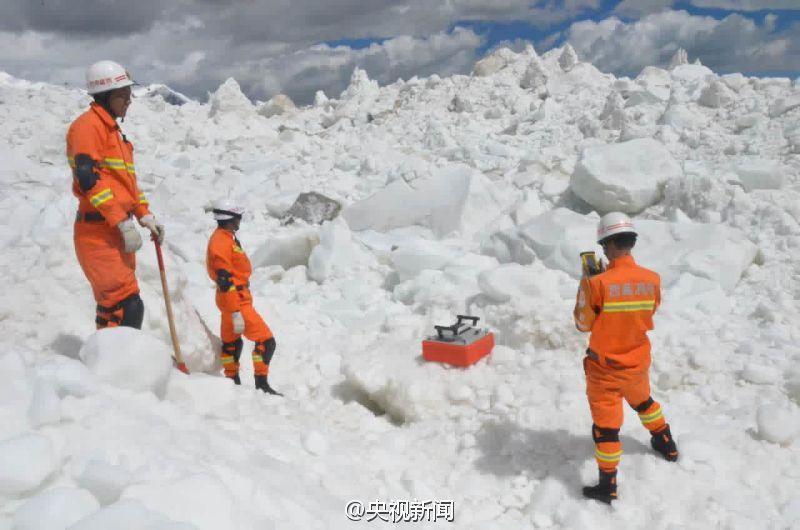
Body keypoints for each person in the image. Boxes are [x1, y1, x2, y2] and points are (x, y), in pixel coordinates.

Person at [573, 212, 678, 504]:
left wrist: (587, 284)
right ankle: (666, 443)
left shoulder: (597, 284)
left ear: (610, 244)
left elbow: (583, 323)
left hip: (604, 369)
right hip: (636, 364)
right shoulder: (652, 280)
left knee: (606, 428)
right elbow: (646, 312)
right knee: (644, 403)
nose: (603, 251)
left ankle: (608, 485)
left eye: (604, 245)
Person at [67, 60, 165, 329]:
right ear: (105, 96)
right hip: (98, 234)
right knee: (127, 307)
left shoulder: (113, 133)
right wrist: (121, 221)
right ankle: (120, 368)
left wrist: (144, 216)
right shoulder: (87, 127)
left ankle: (106, 363)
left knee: (114, 308)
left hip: (114, 233)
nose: (129, 101)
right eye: (123, 96)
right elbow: (88, 180)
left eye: (129, 95)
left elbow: (126, 186)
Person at [206, 200, 281, 395]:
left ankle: (232, 381)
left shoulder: (225, 237)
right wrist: (235, 312)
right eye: (238, 217)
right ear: (231, 219)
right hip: (235, 299)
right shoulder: (221, 241)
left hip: (232, 298)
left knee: (232, 342)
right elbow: (224, 278)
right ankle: (261, 384)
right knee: (266, 341)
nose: (240, 220)